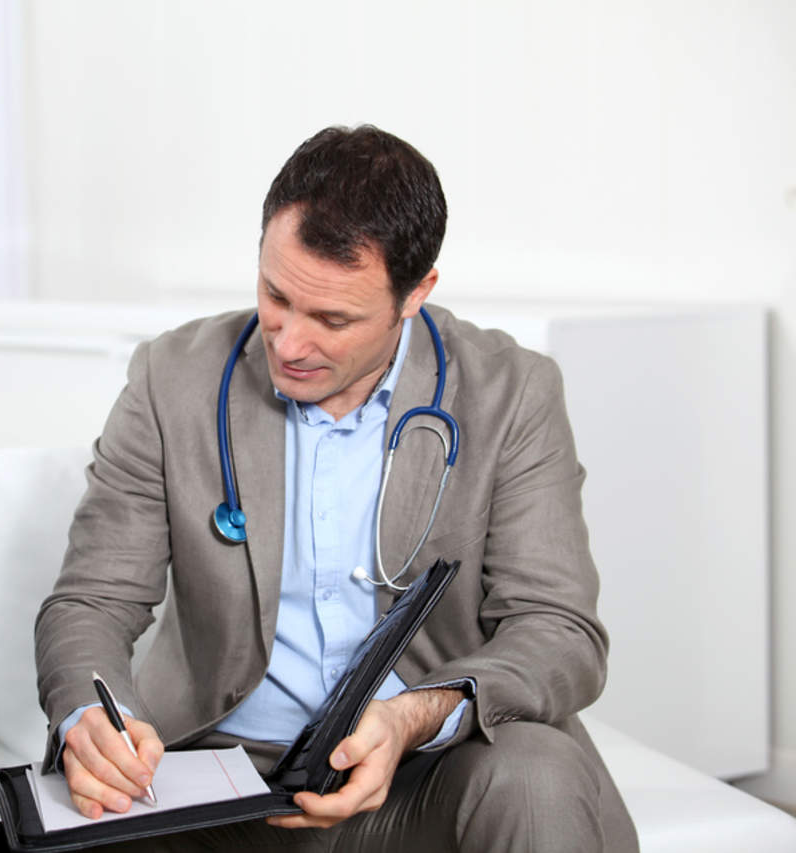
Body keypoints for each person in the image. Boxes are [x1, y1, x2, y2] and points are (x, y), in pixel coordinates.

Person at [31, 126, 638, 851]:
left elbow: (559, 629)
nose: (289, 343)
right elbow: (91, 601)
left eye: (333, 319)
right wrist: (90, 718)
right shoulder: (172, 380)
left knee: (534, 771)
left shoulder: (511, 393)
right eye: (276, 295)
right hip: (220, 786)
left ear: (416, 293)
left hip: (418, 774)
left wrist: (415, 713)